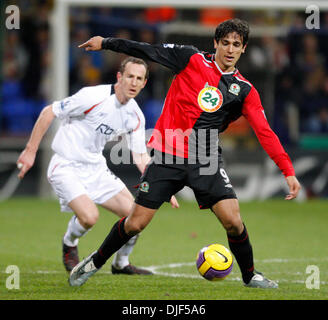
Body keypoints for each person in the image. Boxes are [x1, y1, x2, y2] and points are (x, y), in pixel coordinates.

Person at [69, 18, 301, 288]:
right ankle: (94, 262)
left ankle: (250, 276)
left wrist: (288, 170)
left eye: (235, 45)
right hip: (168, 153)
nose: (229, 49)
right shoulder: (190, 58)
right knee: (135, 223)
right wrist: (106, 43)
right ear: (215, 43)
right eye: (224, 43)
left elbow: (264, 131)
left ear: (243, 49)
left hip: (206, 159)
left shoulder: (244, 90)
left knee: (233, 220)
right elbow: (149, 50)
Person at [17, 56, 179, 275]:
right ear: (119, 77)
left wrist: (160, 183)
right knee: (89, 217)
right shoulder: (92, 96)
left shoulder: (135, 116)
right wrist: (30, 151)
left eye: (139, 78)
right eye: (130, 76)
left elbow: (140, 156)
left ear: (144, 83)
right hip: (66, 165)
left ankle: (121, 264)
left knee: (136, 218)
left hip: (96, 169)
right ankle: (69, 243)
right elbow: (49, 112)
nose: (133, 82)